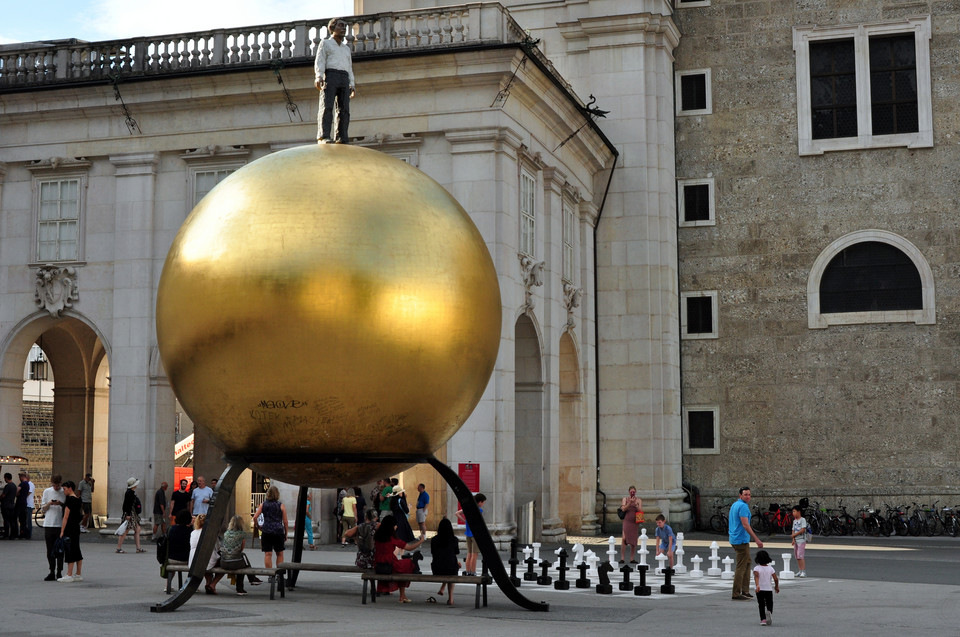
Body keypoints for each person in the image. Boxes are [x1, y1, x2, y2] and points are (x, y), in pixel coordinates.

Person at [314, 17, 355, 144]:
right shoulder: (325, 43)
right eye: (341, 26)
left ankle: (342, 136)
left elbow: (349, 67)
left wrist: (352, 84)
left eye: (345, 27)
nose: (343, 29)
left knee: (344, 109)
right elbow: (320, 60)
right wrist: (319, 76)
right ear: (332, 28)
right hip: (330, 74)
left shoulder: (346, 48)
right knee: (327, 106)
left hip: (344, 77)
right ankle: (324, 135)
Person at [373, 514, 424, 603]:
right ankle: (402, 596)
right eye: (395, 525)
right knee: (408, 564)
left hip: (378, 563)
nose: (396, 527)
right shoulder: (392, 538)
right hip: (390, 564)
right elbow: (409, 547)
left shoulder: (377, 536)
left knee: (402, 567)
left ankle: (402, 596)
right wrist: (420, 541)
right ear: (392, 526)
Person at [728, 486, 764, 600]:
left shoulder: (735, 505)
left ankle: (745, 590)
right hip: (741, 539)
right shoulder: (743, 506)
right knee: (741, 566)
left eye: (749, 494)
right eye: (745, 494)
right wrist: (756, 539)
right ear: (740, 495)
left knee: (747, 563)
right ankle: (736, 593)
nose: (748, 496)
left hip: (736, 538)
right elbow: (745, 525)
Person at [252, 485, 288, 569]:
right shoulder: (281, 505)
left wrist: (258, 526)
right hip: (278, 531)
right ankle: (278, 574)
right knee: (279, 553)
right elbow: (285, 521)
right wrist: (285, 533)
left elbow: (255, 517)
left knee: (268, 553)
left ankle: (270, 574)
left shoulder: (263, 505)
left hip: (267, 530)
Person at [188, 514, 224, 594]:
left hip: (194, 559)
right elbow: (218, 548)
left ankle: (208, 583)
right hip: (207, 558)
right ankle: (212, 584)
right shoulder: (211, 533)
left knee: (205, 563)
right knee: (223, 566)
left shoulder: (193, 532)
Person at [40, 474, 66, 581]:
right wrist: (49, 503)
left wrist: (60, 504)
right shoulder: (47, 491)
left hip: (60, 524)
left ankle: (59, 571)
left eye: (58, 485)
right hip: (49, 524)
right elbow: (43, 509)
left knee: (60, 550)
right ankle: (51, 570)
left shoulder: (64, 492)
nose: (56, 487)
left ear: (60, 483)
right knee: (50, 549)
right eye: (54, 485)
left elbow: (67, 508)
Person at [58, 481, 84, 582]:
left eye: (64, 489)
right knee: (76, 548)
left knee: (70, 549)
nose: (63, 491)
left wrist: (62, 530)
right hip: (76, 527)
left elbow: (66, 516)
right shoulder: (78, 499)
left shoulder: (69, 500)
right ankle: (78, 573)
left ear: (70, 488)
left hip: (69, 527)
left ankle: (69, 574)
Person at [431, 517, 460, 606]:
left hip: (437, 569)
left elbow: (433, 553)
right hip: (451, 568)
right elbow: (456, 553)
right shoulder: (454, 539)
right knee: (452, 567)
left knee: (446, 564)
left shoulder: (434, 540)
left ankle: (442, 588)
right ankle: (451, 599)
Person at [221, 514, 251, 596]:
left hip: (223, 562)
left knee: (242, 560)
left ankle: (252, 579)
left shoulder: (226, 533)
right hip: (235, 562)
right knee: (244, 565)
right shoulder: (242, 534)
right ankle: (240, 588)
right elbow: (241, 549)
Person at [458, 492, 486, 576]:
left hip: (468, 533)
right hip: (475, 534)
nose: (483, 504)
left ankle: (468, 571)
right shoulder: (479, 510)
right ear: (480, 502)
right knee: (474, 554)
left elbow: (457, 513)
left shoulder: (468, 508)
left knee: (469, 554)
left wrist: (465, 521)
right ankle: (473, 572)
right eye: (483, 502)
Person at [116, 477, 146, 553]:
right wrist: (128, 514)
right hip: (130, 514)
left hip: (132, 513)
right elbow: (127, 505)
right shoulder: (130, 493)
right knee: (125, 530)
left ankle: (138, 548)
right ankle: (119, 548)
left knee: (137, 529)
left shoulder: (130, 492)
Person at [753, 549, 779, 625]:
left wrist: (757, 585)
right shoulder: (771, 568)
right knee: (769, 603)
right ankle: (769, 612)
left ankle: (763, 619)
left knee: (761, 604)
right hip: (768, 589)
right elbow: (776, 579)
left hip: (760, 589)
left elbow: (756, 576)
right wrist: (776, 587)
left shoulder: (756, 568)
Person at [619, 485, 642, 564]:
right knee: (624, 538)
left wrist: (636, 505)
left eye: (634, 492)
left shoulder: (638, 500)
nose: (632, 493)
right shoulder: (625, 499)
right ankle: (622, 557)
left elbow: (640, 511)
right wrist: (629, 503)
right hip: (627, 520)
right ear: (629, 492)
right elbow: (623, 508)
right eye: (631, 492)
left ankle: (632, 558)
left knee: (633, 539)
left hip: (634, 521)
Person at [15, 471, 34, 539]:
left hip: (24, 503)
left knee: (24, 520)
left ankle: (26, 534)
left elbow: (18, 490)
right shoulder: (27, 484)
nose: (19, 478)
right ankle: (25, 533)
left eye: (20, 477)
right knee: (23, 520)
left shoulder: (24, 483)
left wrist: (16, 494)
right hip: (25, 503)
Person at [790, 505, 808, 577]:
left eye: (794, 511)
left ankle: (803, 571)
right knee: (797, 556)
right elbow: (793, 530)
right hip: (796, 540)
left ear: (799, 512)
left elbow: (803, 529)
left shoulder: (802, 520)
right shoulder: (794, 521)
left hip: (801, 540)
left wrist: (794, 535)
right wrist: (793, 539)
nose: (793, 513)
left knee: (800, 556)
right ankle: (800, 570)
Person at [1, 473, 18, 539]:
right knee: (12, 521)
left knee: (6, 520)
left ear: (6, 478)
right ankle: (13, 534)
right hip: (11, 505)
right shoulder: (14, 486)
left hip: (5, 505)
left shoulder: (7, 486)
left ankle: (6, 534)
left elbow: (3, 495)